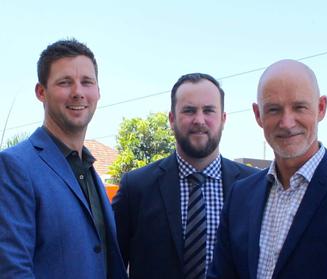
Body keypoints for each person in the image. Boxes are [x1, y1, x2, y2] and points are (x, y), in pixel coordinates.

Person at [208, 59, 327, 279]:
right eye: (274, 109)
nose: (287, 123)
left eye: (299, 107)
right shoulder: (240, 195)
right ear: (258, 115)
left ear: (321, 108)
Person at [0, 39, 128, 278]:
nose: (78, 92)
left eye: (87, 82)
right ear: (41, 92)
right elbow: (12, 270)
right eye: (64, 82)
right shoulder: (14, 166)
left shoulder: (92, 174)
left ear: (98, 92)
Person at [112, 73, 257, 279]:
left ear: (223, 119)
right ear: (172, 119)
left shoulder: (254, 186)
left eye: (209, 110)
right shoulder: (136, 187)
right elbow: (112, 265)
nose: (199, 120)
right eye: (189, 111)